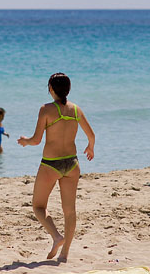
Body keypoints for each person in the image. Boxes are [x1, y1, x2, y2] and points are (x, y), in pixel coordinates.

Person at [17, 73, 95, 263]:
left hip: (51, 164)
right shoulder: (76, 110)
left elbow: (36, 140)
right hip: (72, 163)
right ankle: (65, 253)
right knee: (70, 211)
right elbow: (91, 135)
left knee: (38, 206)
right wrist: (90, 148)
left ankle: (56, 236)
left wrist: (25, 142)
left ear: (51, 89)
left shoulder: (45, 109)